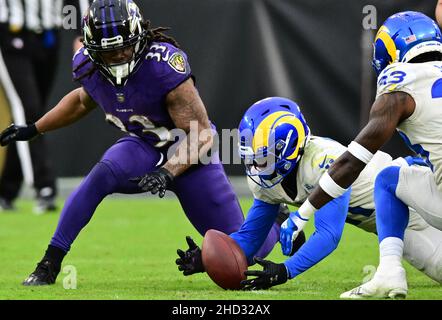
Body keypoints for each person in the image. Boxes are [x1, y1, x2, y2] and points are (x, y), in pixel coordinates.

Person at [0, 0, 282, 286]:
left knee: (244, 254)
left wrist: (168, 171)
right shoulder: (89, 64)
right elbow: (81, 101)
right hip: (144, 146)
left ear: (138, 35)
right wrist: (34, 129)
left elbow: (203, 134)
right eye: (107, 51)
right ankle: (49, 264)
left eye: (122, 47)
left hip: (193, 157)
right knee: (101, 175)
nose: (117, 57)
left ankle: (276, 221)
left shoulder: (163, 66)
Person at [250, 12, 442, 299]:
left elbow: (353, 161)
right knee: (396, 173)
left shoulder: (399, 81)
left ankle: (390, 273)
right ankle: (389, 273)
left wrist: (302, 215)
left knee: (388, 179)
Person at [176, 97, 442, 288]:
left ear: (289, 147)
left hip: (413, 197)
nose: (257, 166)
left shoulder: (322, 161)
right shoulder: (266, 180)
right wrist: (211, 260)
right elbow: (250, 238)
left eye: (264, 158)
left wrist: (285, 271)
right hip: (400, 227)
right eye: (253, 158)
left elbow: (328, 234)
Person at [0, 0, 89, 214]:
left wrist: (82, 34)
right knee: (28, 109)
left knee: (35, 110)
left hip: (48, 38)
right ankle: (44, 186)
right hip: (10, 35)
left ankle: (6, 191)